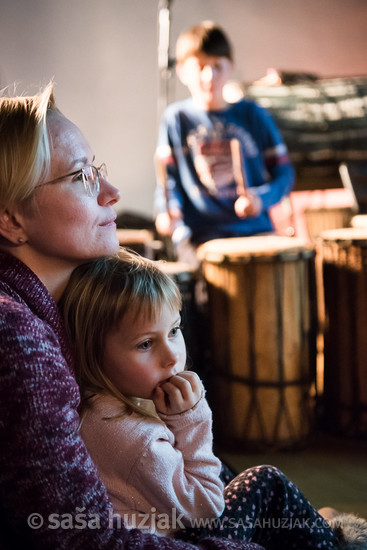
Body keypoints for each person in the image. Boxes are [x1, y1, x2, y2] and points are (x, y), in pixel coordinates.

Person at [0, 83, 264, 550]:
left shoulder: (50, 308)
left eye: (95, 169)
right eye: (80, 176)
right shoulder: (19, 340)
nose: (111, 192)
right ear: (11, 220)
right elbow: (84, 540)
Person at [60, 248, 361, 549]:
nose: (171, 357)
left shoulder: (97, 404)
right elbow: (205, 507)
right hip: (178, 538)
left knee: (228, 472)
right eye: (146, 343)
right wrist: (191, 420)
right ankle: (334, 542)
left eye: (174, 330)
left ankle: (313, 528)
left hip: (166, 520)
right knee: (267, 483)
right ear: (92, 351)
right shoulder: (135, 439)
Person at [154, 21, 295, 266]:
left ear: (231, 67)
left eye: (218, 66)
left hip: (256, 230)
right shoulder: (175, 119)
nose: (210, 76)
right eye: (199, 66)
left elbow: (285, 174)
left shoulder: (253, 114)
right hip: (200, 236)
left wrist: (261, 198)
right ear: (182, 72)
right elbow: (169, 183)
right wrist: (169, 211)